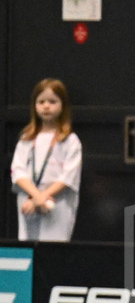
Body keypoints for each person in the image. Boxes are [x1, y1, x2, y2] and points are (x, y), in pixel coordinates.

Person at [9, 78, 82, 241]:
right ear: (34, 106)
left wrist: (44, 196)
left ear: (63, 105)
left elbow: (68, 176)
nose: (46, 106)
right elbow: (18, 171)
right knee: (28, 247)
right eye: (41, 101)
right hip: (28, 201)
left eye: (52, 101)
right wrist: (36, 196)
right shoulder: (26, 139)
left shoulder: (69, 140)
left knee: (54, 249)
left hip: (57, 202)